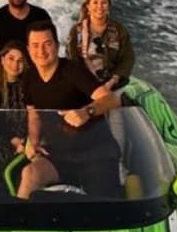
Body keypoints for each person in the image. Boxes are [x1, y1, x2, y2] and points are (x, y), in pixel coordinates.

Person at [17, 20, 121, 199]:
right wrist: (33, 142)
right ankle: (18, 218)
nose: (41, 51)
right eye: (35, 45)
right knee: (30, 173)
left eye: (47, 44)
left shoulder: (74, 71)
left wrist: (86, 112)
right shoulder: (28, 78)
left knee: (103, 206)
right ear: (28, 49)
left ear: (57, 46)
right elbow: (33, 114)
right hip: (60, 156)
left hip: (96, 155)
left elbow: (112, 99)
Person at [66, 0, 135, 91]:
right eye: (95, 3)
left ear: (109, 7)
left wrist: (113, 81)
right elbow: (72, 60)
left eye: (104, 3)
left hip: (113, 84)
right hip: (84, 85)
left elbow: (127, 58)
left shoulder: (118, 30)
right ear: (88, 7)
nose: (100, 6)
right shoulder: (77, 31)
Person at [0, 40, 28, 173]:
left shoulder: (28, 87)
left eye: (20, 60)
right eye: (11, 59)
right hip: (0, 140)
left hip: (27, 142)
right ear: (2, 60)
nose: (15, 64)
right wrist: (13, 140)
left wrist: (26, 141)